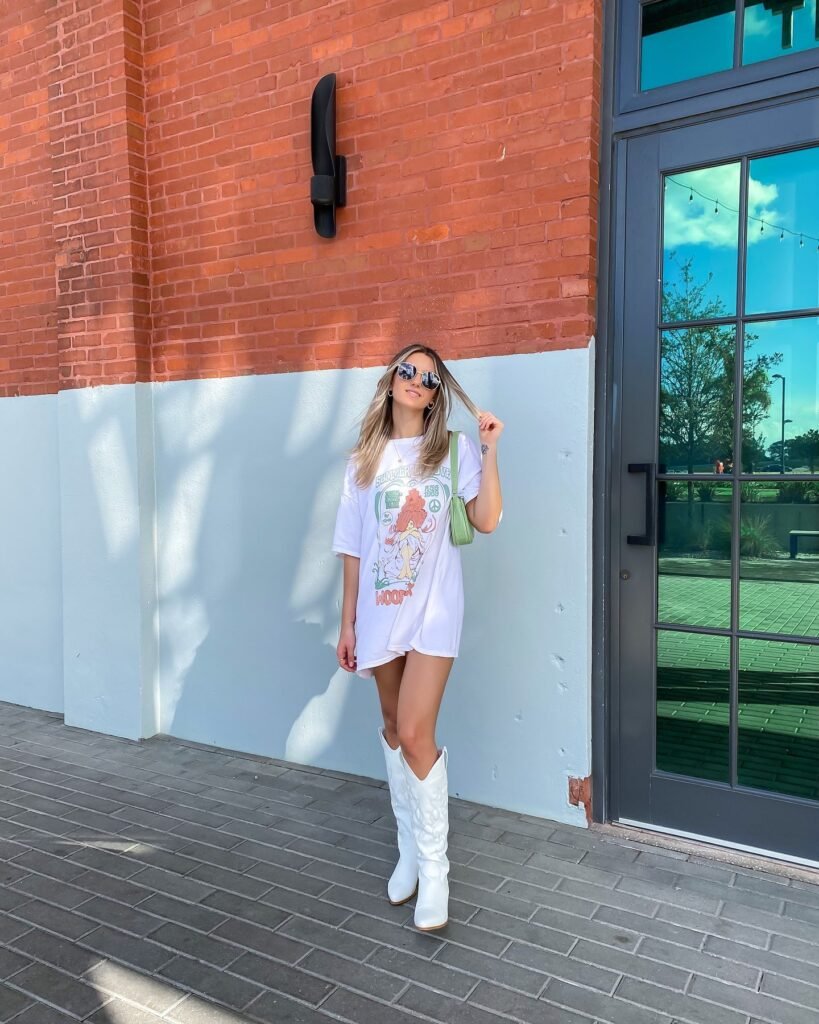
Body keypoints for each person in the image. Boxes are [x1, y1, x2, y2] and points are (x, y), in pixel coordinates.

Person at [331, 344, 503, 931]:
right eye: (408, 369)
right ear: (391, 379)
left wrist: (489, 448)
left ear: (437, 394)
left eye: (430, 378)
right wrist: (348, 621)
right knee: (389, 726)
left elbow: (485, 520)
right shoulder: (363, 461)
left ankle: (436, 869)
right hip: (380, 614)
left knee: (413, 731)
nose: (417, 381)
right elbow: (354, 550)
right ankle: (408, 846)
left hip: (433, 613)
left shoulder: (451, 451)